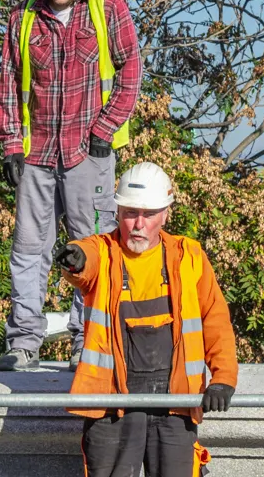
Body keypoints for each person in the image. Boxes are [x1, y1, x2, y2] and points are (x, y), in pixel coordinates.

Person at [0, 0, 142, 371]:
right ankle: (23, 342)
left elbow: (131, 68)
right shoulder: (23, 17)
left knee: (92, 250)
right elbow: (6, 83)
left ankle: (88, 341)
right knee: (28, 249)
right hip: (37, 154)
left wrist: (105, 128)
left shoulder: (106, 5)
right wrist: (9, 144)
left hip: (88, 154)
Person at [54, 162, 238, 477]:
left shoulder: (188, 256)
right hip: (112, 401)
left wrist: (223, 380)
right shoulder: (104, 251)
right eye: (129, 213)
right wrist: (76, 258)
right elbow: (87, 258)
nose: (138, 224)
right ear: (118, 212)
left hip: (176, 400)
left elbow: (216, 321)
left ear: (165, 214)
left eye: (148, 215)